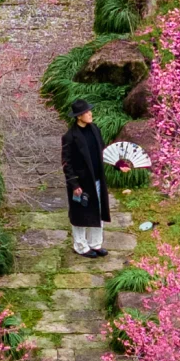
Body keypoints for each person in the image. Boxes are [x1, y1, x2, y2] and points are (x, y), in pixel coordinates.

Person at [61, 98, 110, 258]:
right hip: (81, 182)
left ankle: (95, 244)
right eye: (87, 112)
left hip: (97, 179)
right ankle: (81, 246)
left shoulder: (94, 129)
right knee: (80, 213)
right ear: (79, 116)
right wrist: (74, 184)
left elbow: (104, 151)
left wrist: (119, 164)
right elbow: (66, 163)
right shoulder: (70, 136)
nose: (90, 114)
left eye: (89, 111)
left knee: (98, 210)